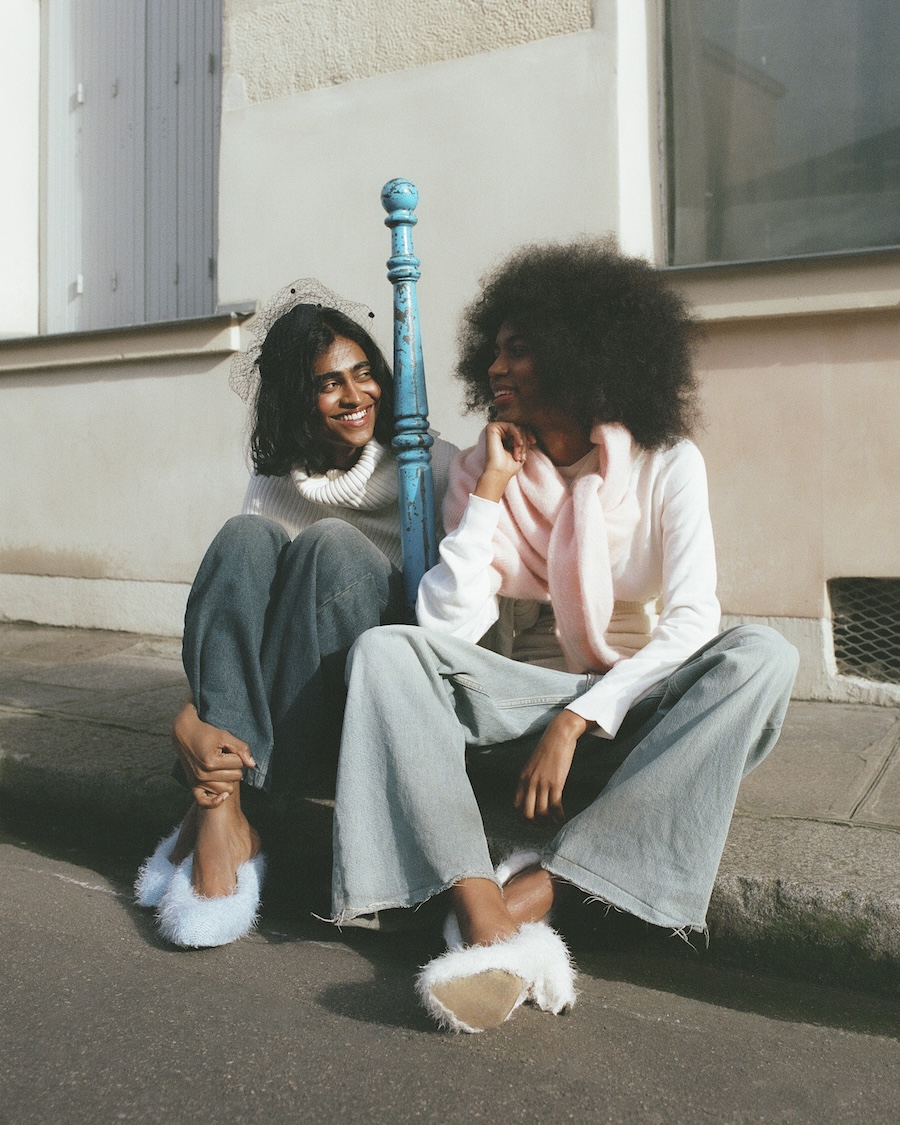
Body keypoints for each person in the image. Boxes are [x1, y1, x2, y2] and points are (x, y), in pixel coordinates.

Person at [329, 240, 799, 1033]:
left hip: (628, 709)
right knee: (387, 651)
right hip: (521, 703)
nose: (496, 368)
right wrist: (489, 492)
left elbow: (692, 620)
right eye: (494, 350)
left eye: (519, 349)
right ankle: (481, 908)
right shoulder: (486, 467)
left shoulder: (665, 463)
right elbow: (446, 628)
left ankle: (533, 893)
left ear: (579, 355)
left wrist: (580, 718)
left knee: (765, 657)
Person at [134, 279, 457, 948]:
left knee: (329, 546)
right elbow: (241, 615)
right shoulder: (274, 481)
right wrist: (191, 714)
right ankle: (224, 813)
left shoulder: (428, 463)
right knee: (243, 538)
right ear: (296, 399)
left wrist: (190, 719)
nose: (356, 395)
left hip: (360, 688)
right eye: (329, 384)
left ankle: (224, 812)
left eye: (363, 374)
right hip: (288, 689)